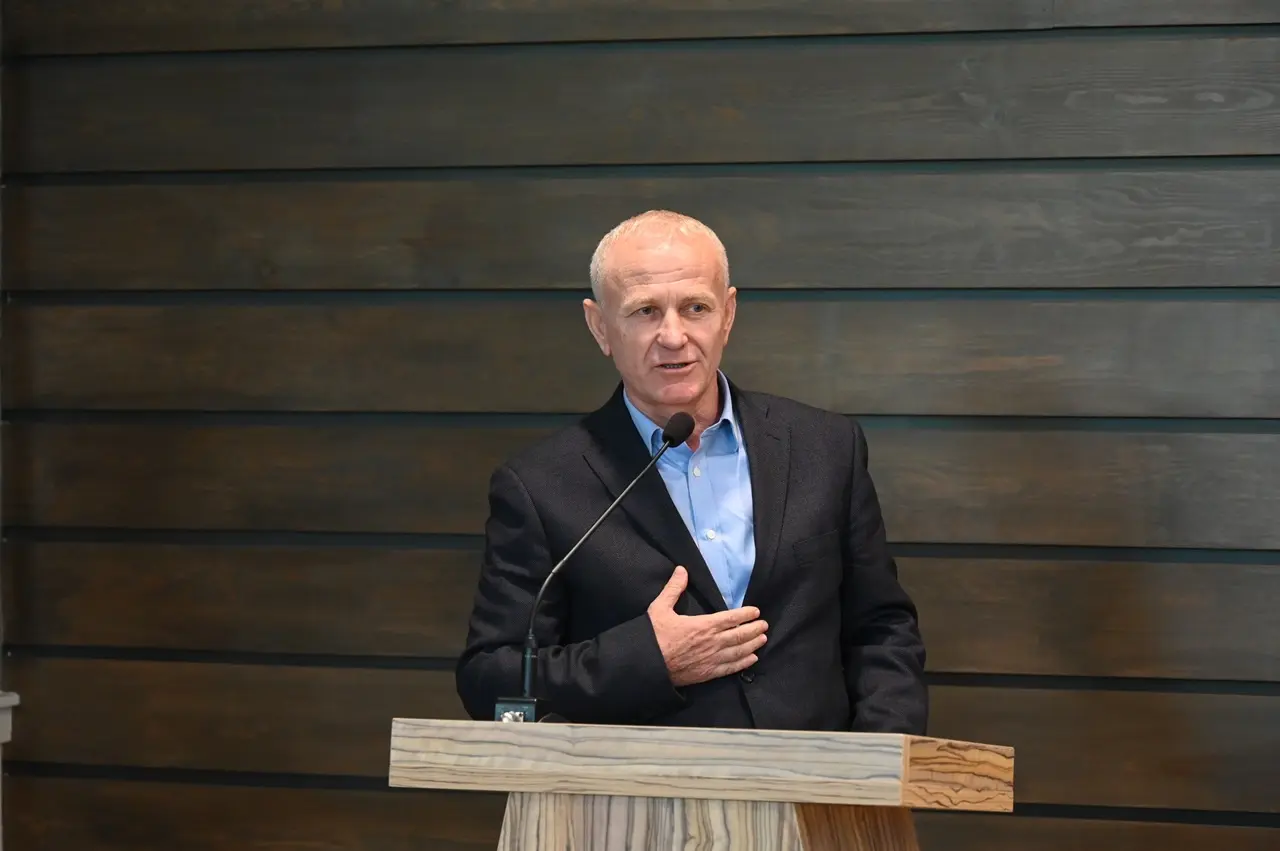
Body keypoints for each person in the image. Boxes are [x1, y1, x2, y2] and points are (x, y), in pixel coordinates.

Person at [454, 210, 927, 734]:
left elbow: (882, 630)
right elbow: (491, 678)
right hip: (642, 786)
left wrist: (879, 760)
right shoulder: (542, 486)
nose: (673, 336)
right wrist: (648, 660)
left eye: (695, 308)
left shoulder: (826, 447)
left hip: (819, 783)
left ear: (728, 314)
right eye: (645, 311)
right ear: (600, 327)